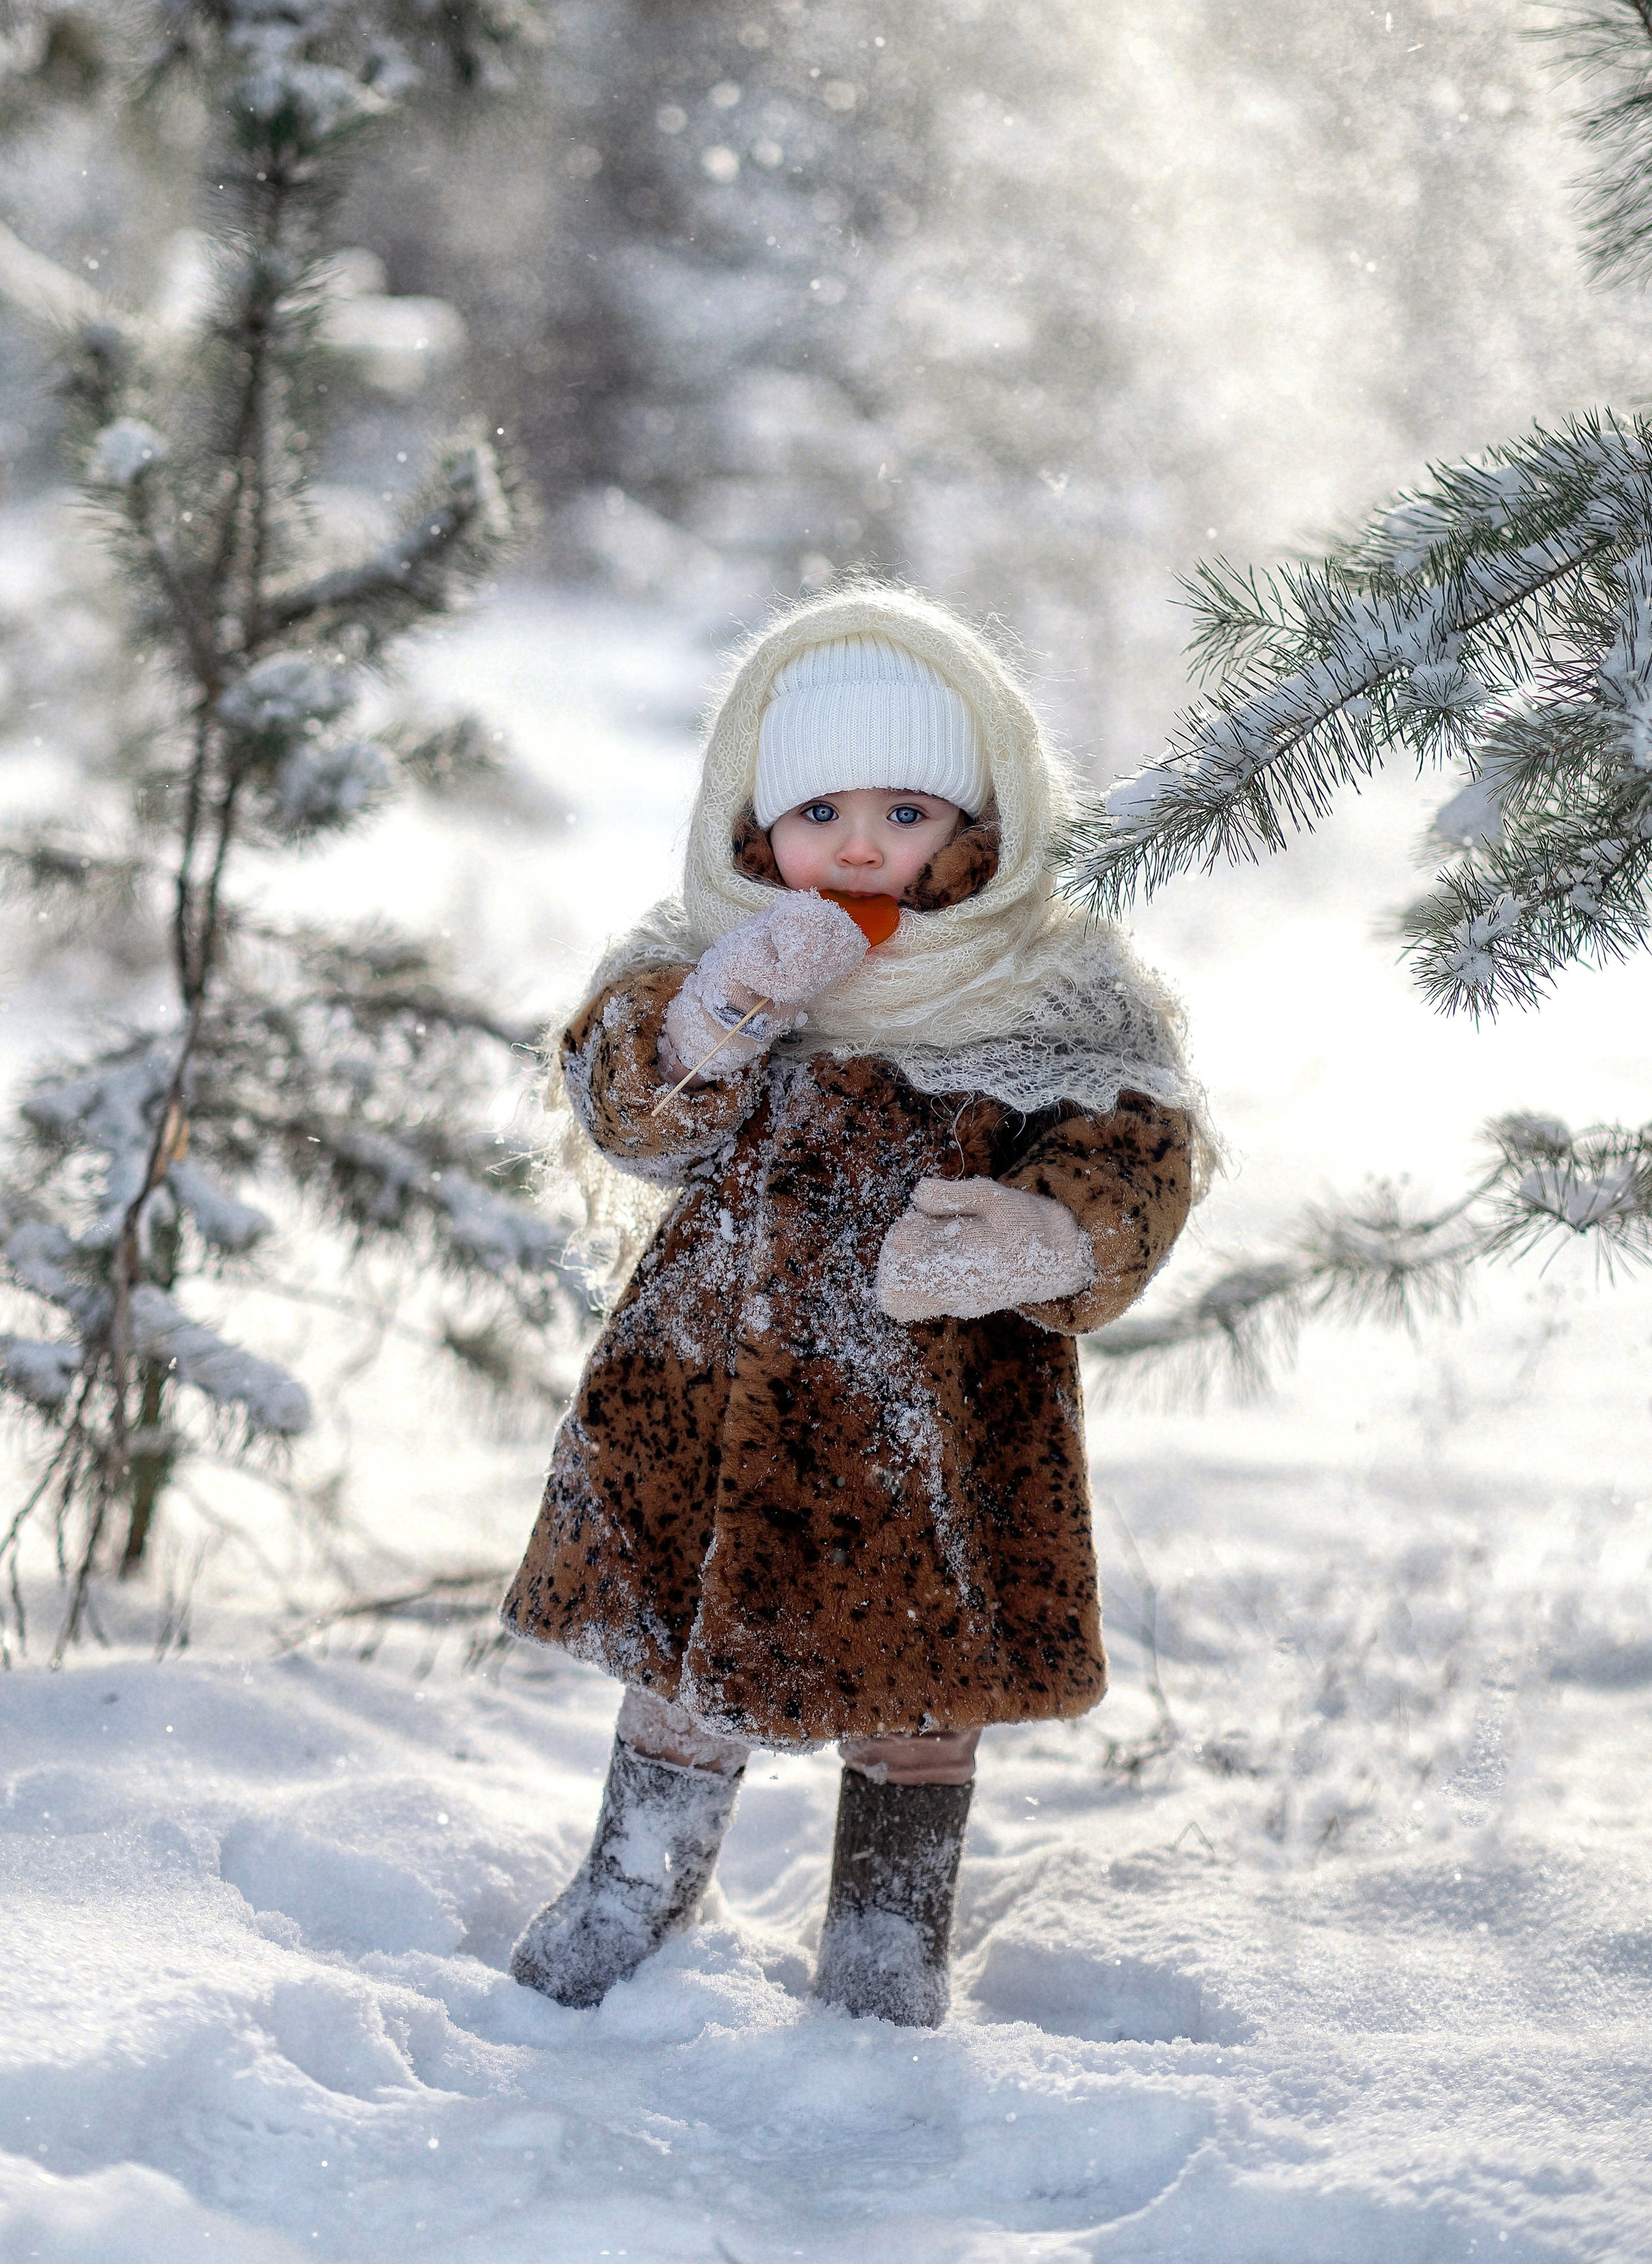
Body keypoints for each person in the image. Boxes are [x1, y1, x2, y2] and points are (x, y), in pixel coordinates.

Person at [502, 585, 1210, 2026]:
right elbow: (629, 1114)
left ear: (982, 823)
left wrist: (1040, 1234)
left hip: (936, 1412)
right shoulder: (711, 945)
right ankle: (638, 1877)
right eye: (822, 809)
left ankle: (890, 1931)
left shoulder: (1050, 981)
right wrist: (711, 1020)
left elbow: (1135, 1151)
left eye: (908, 809)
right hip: (715, 1376)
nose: (865, 842)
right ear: (755, 827)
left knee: (918, 1684)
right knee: (689, 1655)